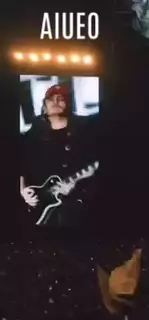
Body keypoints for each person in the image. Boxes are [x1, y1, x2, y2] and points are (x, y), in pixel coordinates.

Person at [18, 83, 100, 227]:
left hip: (77, 206)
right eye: (50, 99)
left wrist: (78, 187)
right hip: (40, 208)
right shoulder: (34, 132)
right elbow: (20, 164)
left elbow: (99, 165)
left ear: (68, 103)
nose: (55, 102)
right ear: (44, 105)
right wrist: (23, 190)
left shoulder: (85, 128)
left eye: (60, 98)